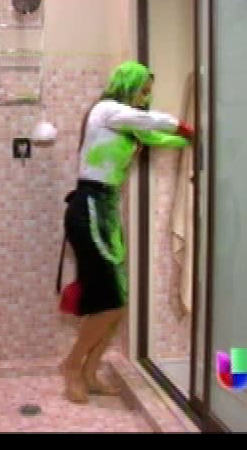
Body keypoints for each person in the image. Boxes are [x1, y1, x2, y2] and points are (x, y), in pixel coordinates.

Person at [59, 60, 194, 404]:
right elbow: (152, 122)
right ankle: (72, 366)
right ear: (127, 86)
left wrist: (192, 141)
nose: (145, 97)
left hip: (106, 209)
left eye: (148, 92)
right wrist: (183, 126)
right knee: (109, 303)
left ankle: (90, 372)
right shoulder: (107, 110)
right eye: (142, 90)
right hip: (90, 207)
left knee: (116, 304)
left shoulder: (127, 123)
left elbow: (156, 136)